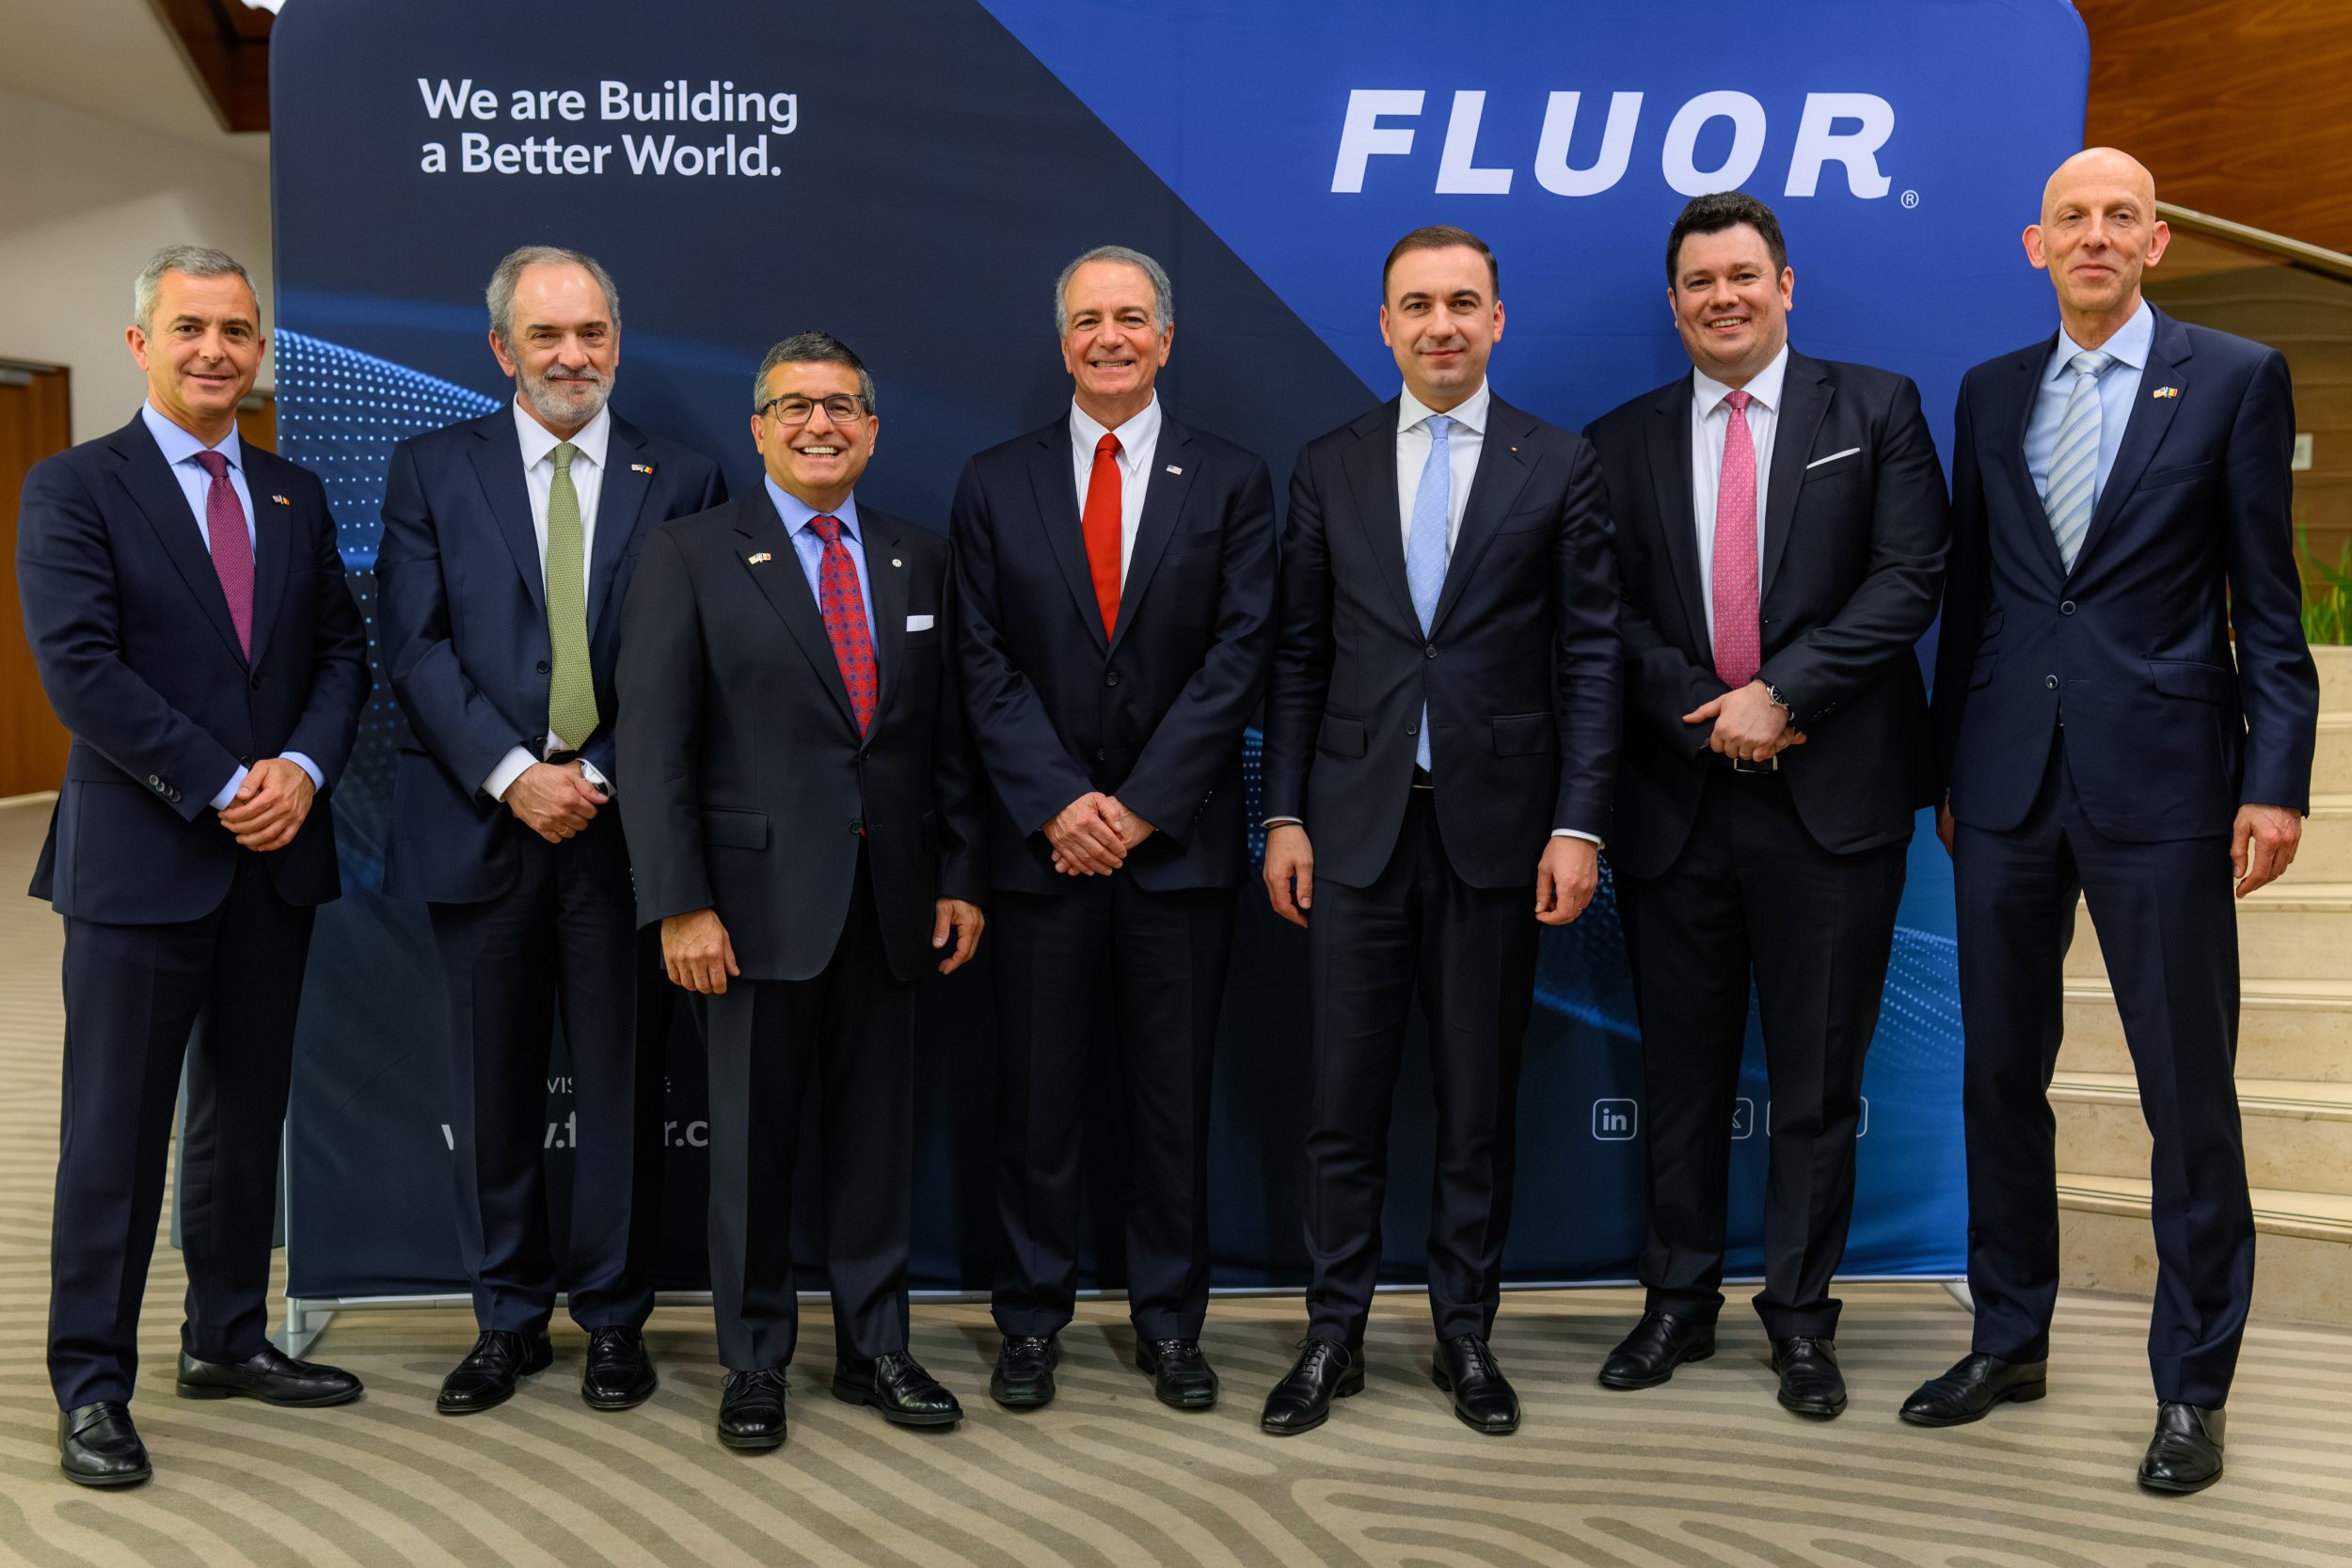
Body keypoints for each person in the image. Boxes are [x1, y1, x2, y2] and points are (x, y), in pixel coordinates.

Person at [1912, 148, 2317, 1494]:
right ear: (2037, 246)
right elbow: (1976, 597)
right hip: (2005, 783)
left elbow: (2267, 600)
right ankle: (2008, 1335)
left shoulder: (2237, 377)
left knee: (2185, 1091)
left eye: (2120, 216)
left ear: (2156, 240)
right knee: (1996, 1075)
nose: (2096, 235)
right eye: (2071, 218)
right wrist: (1949, 769)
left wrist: (2274, 778)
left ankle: (2193, 1386)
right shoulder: (1990, 390)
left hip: (2168, 784)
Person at [1583, 192, 1949, 1418]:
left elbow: (1909, 576)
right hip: (1677, 800)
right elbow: (1605, 613)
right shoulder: (1618, 439)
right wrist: (1709, 710)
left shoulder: (1877, 409)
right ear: (1674, 302)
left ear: (1785, 286)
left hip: (1832, 801)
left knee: (1816, 1083)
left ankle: (1799, 1316)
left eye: (1743, 275)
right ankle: (1676, 1299)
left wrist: (1783, 692)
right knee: (1680, 1075)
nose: (1722, 297)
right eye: (1699, 281)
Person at [1257, 225, 1621, 1437]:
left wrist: (1577, 823)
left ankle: (1466, 1331)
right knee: (1341, 1103)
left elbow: (1589, 657)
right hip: (1353, 833)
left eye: (1463, 302)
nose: (1441, 324)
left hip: (1499, 835)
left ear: (1497, 320)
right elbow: (1298, 656)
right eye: (1417, 304)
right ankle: (1333, 1332)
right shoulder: (1329, 463)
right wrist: (1284, 811)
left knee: (1476, 1104)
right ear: (1385, 325)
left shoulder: (1558, 461)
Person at [18, 245, 369, 1486]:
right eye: (189, 328)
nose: (215, 349)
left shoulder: (292, 492)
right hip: (142, 861)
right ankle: (90, 1383)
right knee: (113, 1135)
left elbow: (341, 656)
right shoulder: (73, 486)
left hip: (276, 859)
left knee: (242, 1116)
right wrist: (227, 783)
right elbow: (81, 670)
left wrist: (302, 772)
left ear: (257, 348)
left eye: (235, 330)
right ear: (141, 344)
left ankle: (225, 1336)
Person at [616, 331, 988, 1450]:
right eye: (794, 406)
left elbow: (947, 738)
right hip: (746, 912)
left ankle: (878, 1348)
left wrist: (960, 873)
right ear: (758, 428)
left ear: (872, 429)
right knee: (749, 1149)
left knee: (877, 1147)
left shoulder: (921, 555)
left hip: (893, 902)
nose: (819, 424)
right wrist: (679, 902)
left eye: (840, 406)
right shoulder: (689, 553)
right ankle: (755, 1360)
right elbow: (654, 747)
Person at [376, 245, 723, 1417]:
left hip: (625, 834)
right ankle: (507, 1318)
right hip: (480, 821)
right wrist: (515, 772)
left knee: (623, 1086)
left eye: (591, 333)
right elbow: (414, 645)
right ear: (502, 350)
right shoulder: (431, 467)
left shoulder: (686, 475)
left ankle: (615, 1317)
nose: (571, 356)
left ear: (617, 341)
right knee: (491, 1089)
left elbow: (695, 659)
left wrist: (601, 771)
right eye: (545, 336)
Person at [951, 245, 1277, 1413]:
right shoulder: (994, 481)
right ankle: (1028, 1321)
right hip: (1041, 854)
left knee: (1170, 1108)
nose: (1110, 338)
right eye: (1088, 319)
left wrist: (1138, 808)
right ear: (1063, 343)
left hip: (1174, 851)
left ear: (1165, 339)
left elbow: (1240, 654)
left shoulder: (1231, 479)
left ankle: (1170, 1324)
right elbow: (979, 659)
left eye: (1131, 318)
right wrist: (1058, 802)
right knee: (1036, 1106)